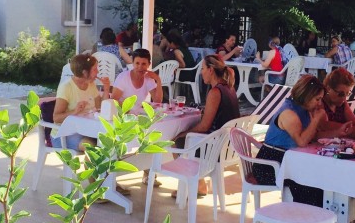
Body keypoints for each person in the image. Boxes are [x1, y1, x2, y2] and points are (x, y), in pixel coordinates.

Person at [252, 75, 351, 206]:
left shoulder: (304, 109)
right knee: (309, 181)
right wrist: (316, 119)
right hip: (270, 164)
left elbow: (312, 135)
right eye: (317, 99)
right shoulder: (289, 114)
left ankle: (322, 212)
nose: (320, 103)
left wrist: (338, 133)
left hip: (289, 159)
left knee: (322, 175)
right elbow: (302, 141)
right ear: (306, 96)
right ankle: (303, 216)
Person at [175, 54, 240, 197]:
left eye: (203, 68)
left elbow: (204, 127)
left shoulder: (215, 92)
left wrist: (183, 133)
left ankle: (192, 186)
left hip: (215, 149)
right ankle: (199, 184)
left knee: (178, 140)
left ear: (211, 70)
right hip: (229, 146)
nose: (201, 72)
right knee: (187, 137)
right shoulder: (229, 88)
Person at [112, 48, 163, 187]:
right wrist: (127, 110)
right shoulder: (123, 77)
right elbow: (113, 100)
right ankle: (112, 179)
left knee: (152, 136)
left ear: (149, 64)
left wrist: (158, 80)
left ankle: (148, 173)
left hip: (137, 116)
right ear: (132, 63)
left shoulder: (148, 79)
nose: (140, 67)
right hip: (121, 116)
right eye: (137, 63)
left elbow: (158, 100)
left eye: (144, 64)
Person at [52, 54, 111, 151]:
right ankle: (92, 161)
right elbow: (56, 118)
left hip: (86, 130)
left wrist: (106, 89)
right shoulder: (66, 87)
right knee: (90, 146)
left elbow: (100, 107)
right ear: (84, 73)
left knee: (110, 141)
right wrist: (75, 111)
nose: (98, 72)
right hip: (64, 134)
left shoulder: (91, 84)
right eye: (94, 69)